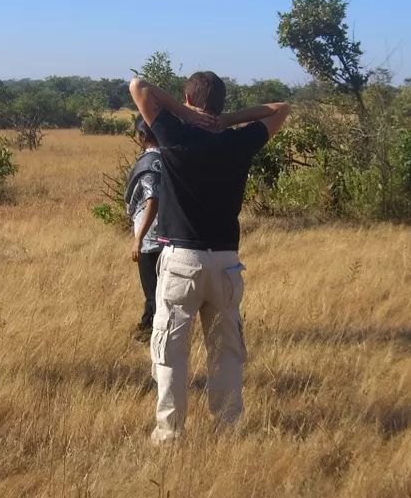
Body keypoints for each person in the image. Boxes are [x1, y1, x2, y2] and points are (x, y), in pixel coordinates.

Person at [130, 71, 291, 444]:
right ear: (221, 103)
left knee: (171, 352)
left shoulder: (175, 133)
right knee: (226, 353)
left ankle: (169, 434)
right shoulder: (239, 143)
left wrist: (187, 115)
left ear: (188, 100)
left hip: (181, 260)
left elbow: (139, 86)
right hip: (226, 262)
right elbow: (281, 109)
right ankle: (227, 432)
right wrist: (226, 120)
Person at [124, 116, 163, 344]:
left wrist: (138, 239)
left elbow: (152, 199)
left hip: (151, 238)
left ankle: (149, 332)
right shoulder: (169, 158)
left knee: (153, 290)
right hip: (169, 233)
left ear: (142, 136)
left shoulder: (150, 163)